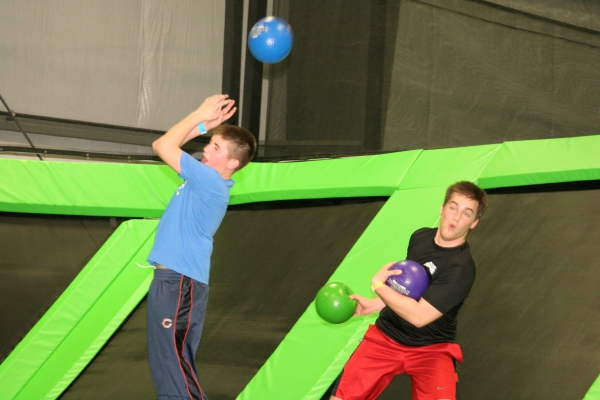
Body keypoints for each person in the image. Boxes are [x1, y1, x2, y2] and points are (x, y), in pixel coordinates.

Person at [330, 181, 488, 400]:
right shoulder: (420, 238)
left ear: (474, 223)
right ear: (442, 208)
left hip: (432, 349)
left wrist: (378, 285)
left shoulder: (461, 268)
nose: (456, 217)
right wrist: (375, 303)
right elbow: (406, 289)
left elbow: (419, 316)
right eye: (453, 207)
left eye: (466, 213)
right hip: (386, 337)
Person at [145, 94, 256, 400]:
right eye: (209, 143)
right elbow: (172, 143)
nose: (206, 148)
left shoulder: (209, 181)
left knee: (174, 366)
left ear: (232, 164)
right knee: (169, 368)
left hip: (179, 282)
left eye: (215, 148)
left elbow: (162, 146)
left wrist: (198, 115)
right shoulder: (203, 177)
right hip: (172, 281)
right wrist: (205, 125)